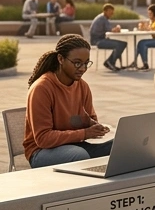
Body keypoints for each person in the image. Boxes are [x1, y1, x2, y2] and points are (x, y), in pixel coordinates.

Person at [22, 34, 112, 167]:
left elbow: (90, 120)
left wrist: (94, 126)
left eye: (86, 63)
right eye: (77, 63)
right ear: (60, 59)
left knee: (119, 146)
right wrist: (85, 133)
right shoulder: (41, 88)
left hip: (75, 144)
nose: (83, 68)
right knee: (78, 155)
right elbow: (43, 139)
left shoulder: (82, 86)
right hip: (41, 151)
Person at [89, 4, 127, 71]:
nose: (112, 14)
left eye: (112, 12)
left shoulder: (102, 18)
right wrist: (118, 27)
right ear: (105, 11)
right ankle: (110, 62)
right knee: (120, 44)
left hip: (100, 39)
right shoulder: (102, 19)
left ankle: (110, 62)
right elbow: (112, 30)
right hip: (98, 41)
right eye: (110, 12)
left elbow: (109, 30)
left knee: (123, 44)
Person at [134, 4, 155, 70]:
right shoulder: (153, 21)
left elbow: (153, 31)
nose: (149, 15)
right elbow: (151, 30)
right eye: (148, 13)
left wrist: (145, 27)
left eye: (150, 13)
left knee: (142, 43)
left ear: (154, 13)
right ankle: (136, 62)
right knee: (140, 43)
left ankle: (145, 64)